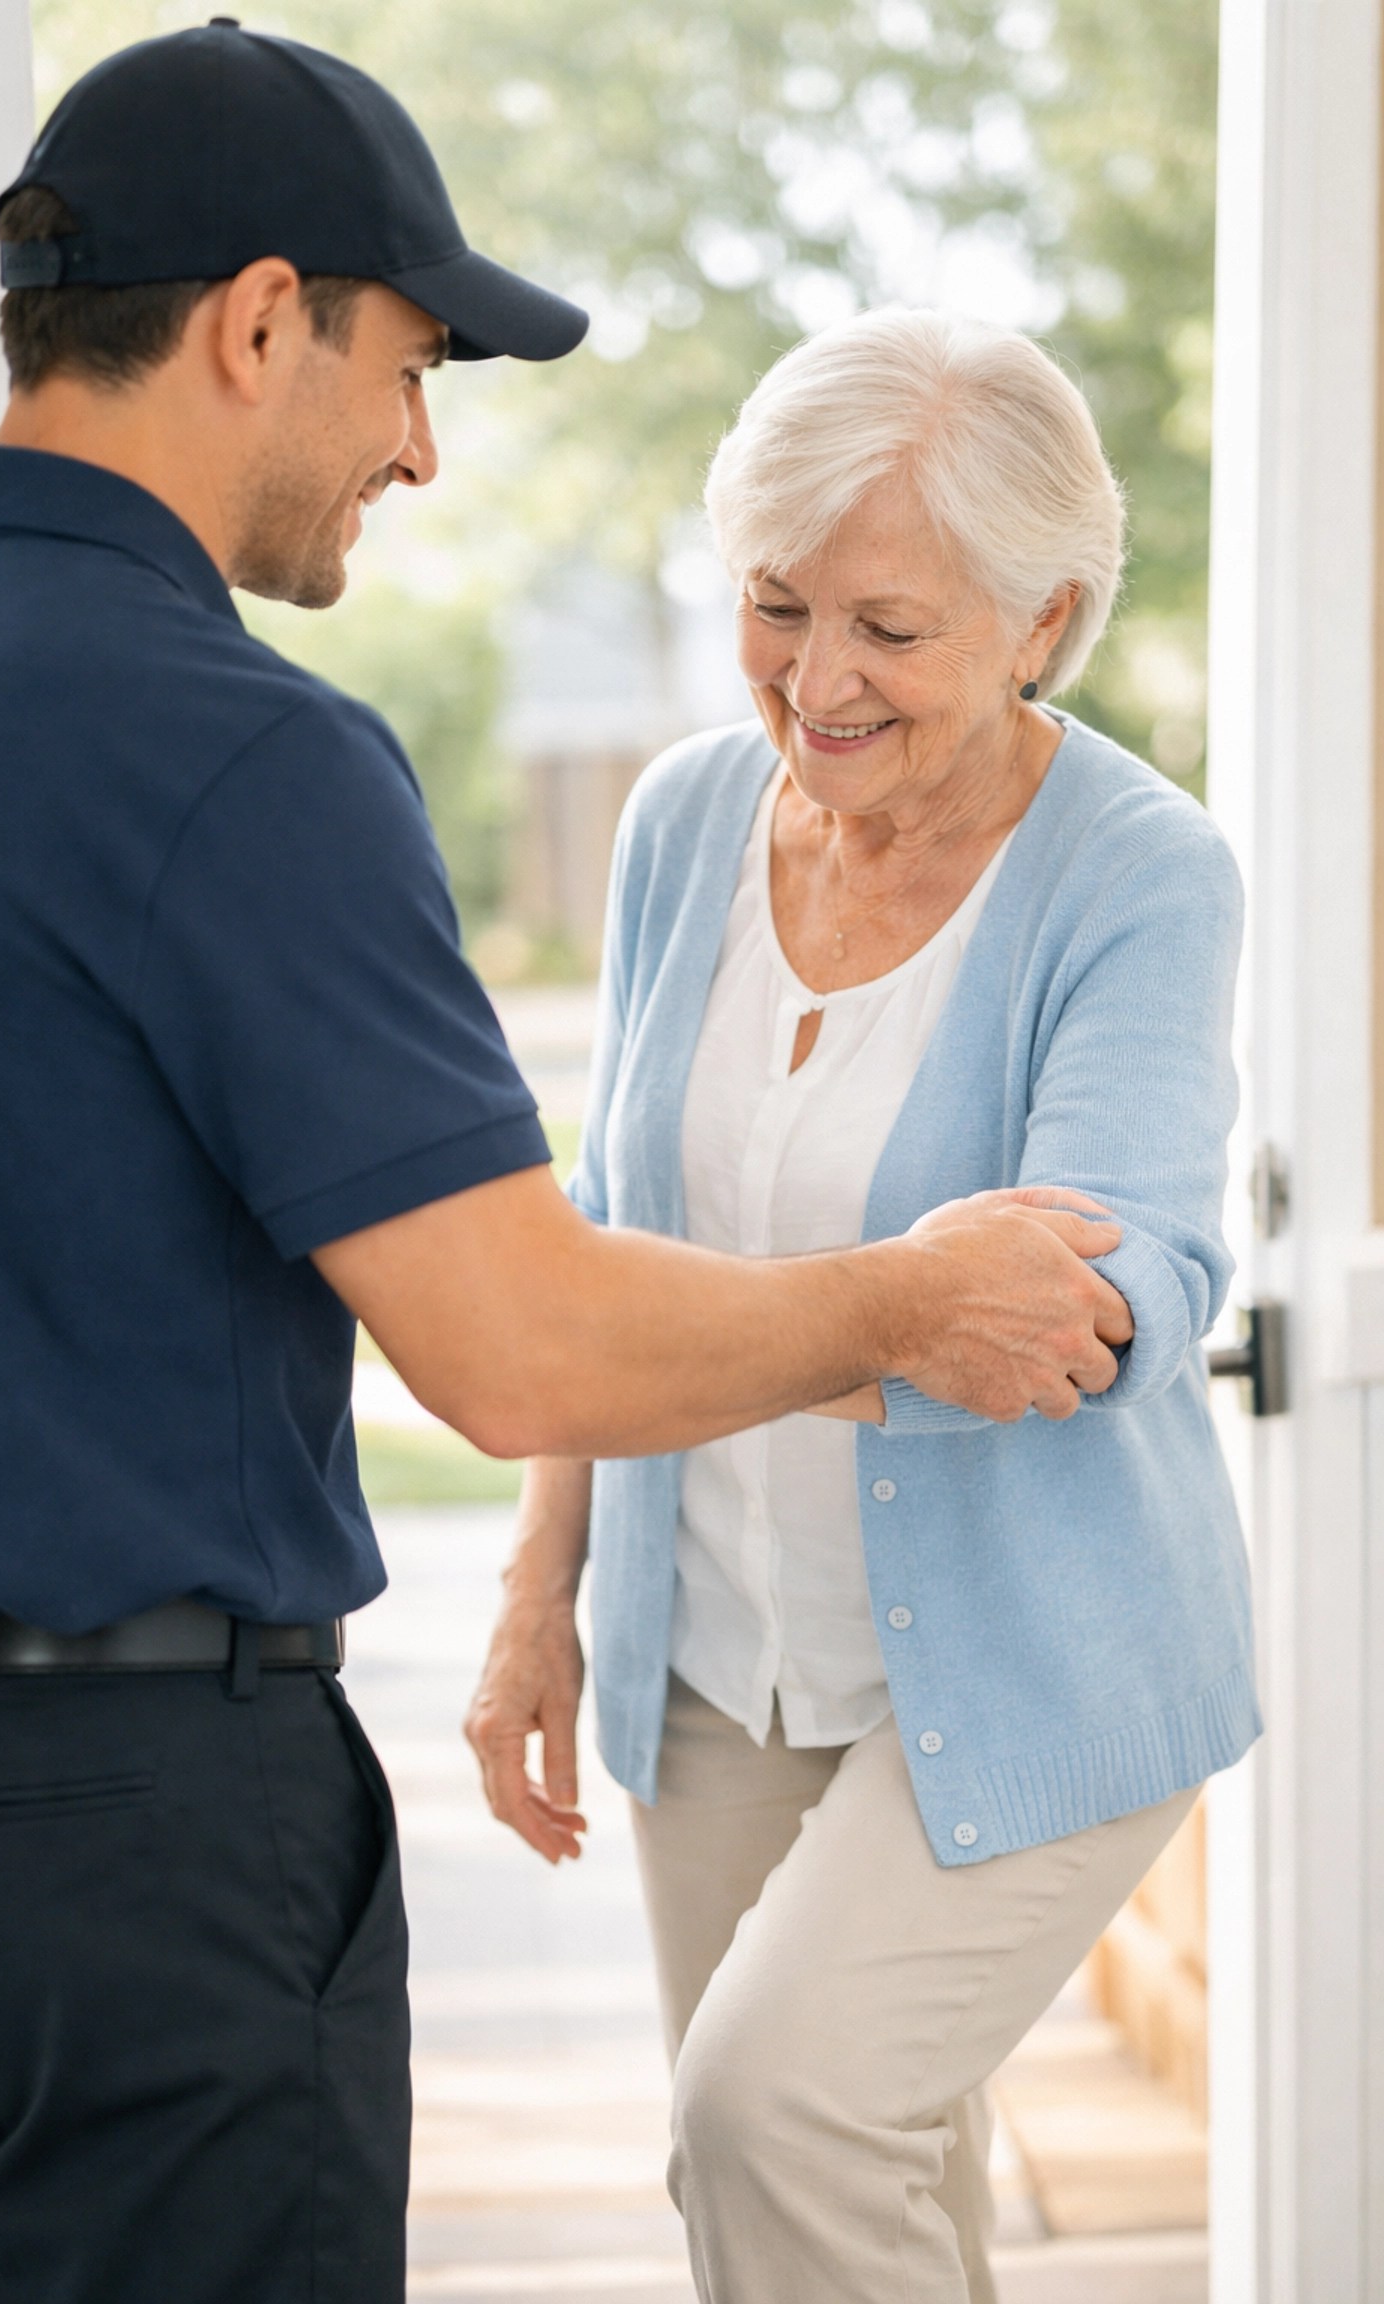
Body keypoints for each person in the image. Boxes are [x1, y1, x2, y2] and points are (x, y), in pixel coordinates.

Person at [0, 31, 1131, 2304]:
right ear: (260, 322)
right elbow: (516, 1340)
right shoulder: (246, 757)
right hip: (129, 1858)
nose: (418, 451)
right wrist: (903, 1300)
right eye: (407, 363)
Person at [467, 307, 1260, 2304]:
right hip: (709, 1642)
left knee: (772, 2118)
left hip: (1031, 1654)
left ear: (1041, 621)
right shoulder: (677, 830)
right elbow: (608, 1221)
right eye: (774, 604)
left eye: (889, 631)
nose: (815, 682)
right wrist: (542, 1591)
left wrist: (789, 1326)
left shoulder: (1139, 876)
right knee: (847, 2202)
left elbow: (1101, 1299)